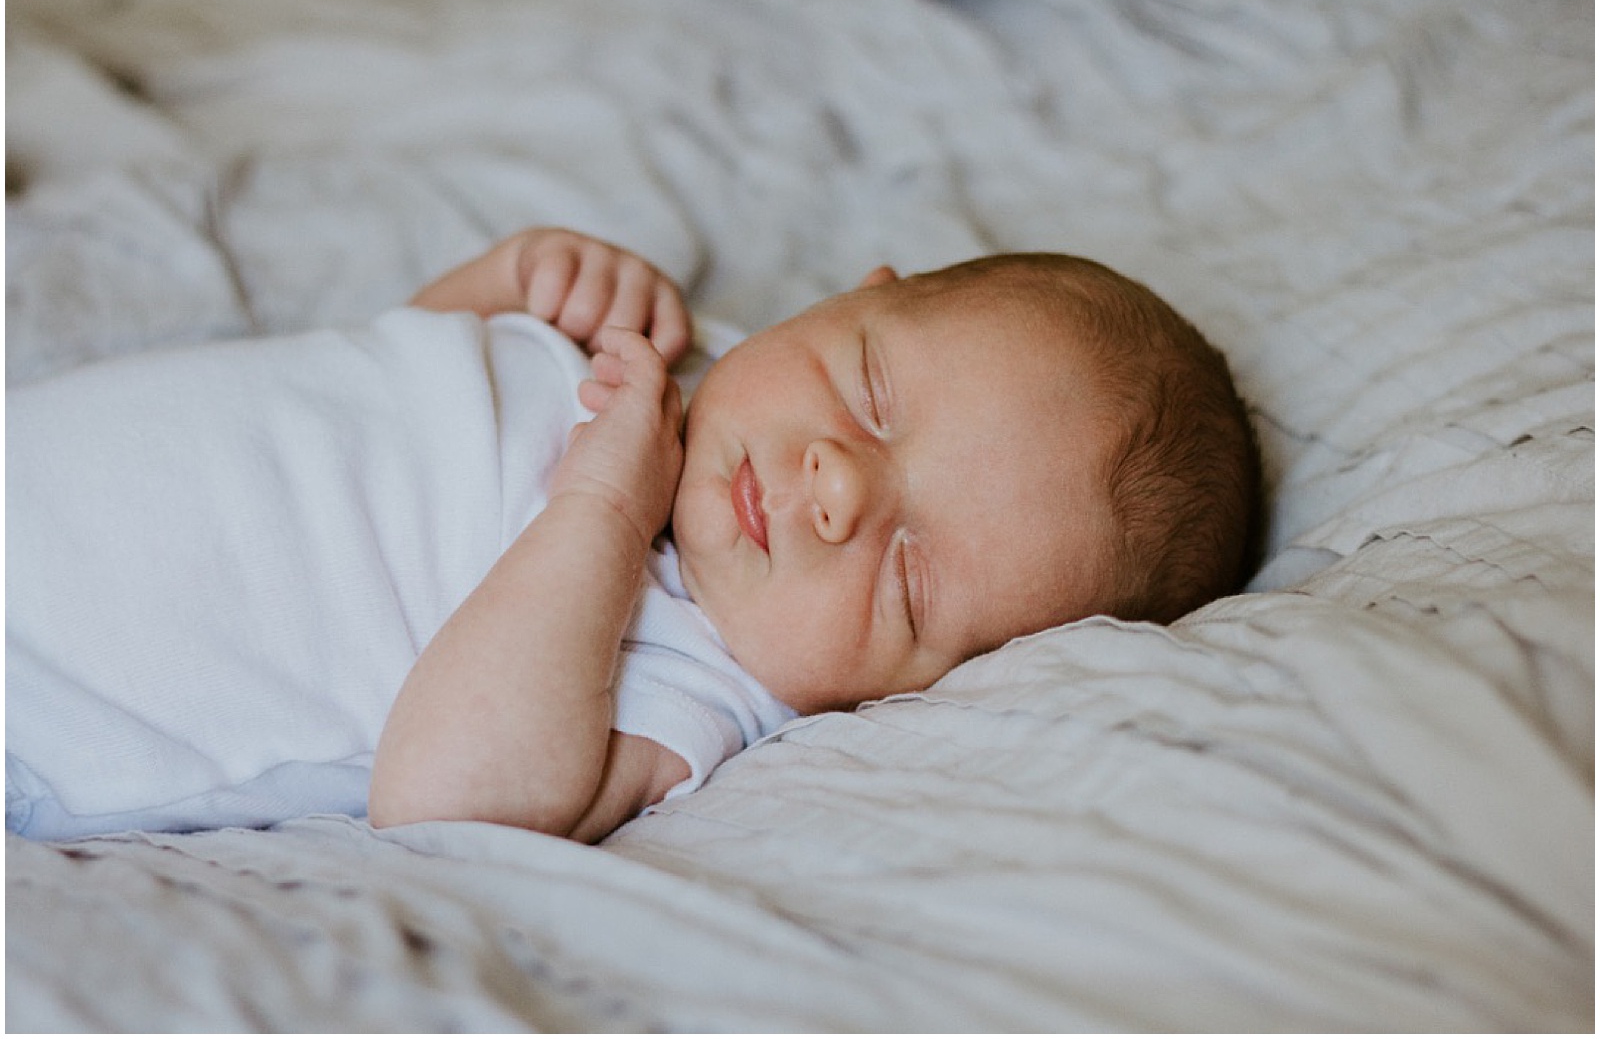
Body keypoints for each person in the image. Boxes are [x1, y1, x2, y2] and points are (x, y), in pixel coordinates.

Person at [5, 228, 1258, 844]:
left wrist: (602, 511)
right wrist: (502, 286)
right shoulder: (659, 355)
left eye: (909, 575)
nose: (836, 488)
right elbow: (376, 379)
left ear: (913, 691)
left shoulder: (696, 686)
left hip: (48, 688)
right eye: (871, 395)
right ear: (855, 294)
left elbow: (441, 797)